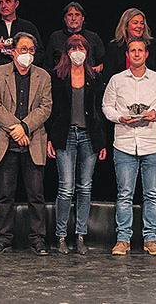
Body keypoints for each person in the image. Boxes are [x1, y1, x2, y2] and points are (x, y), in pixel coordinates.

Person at [102, 39, 156, 256]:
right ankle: (123, 239)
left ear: (146, 54)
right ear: (127, 54)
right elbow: (106, 107)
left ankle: (150, 238)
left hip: (152, 144)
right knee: (125, 194)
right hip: (125, 143)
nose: (136, 54)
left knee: (152, 194)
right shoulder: (116, 80)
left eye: (140, 50)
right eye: (132, 50)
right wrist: (120, 117)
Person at [0, 32, 53, 255]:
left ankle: (38, 239)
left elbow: (45, 107)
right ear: (13, 51)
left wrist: (24, 127)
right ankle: (4, 238)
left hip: (33, 141)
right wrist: (16, 129)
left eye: (31, 50)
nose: (28, 53)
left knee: (36, 196)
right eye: (24, 49)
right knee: (5, 195)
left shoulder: (43, 76)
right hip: (6, 142)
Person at [47, 34, 108, 254]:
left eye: (81, 48)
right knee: (66, 187)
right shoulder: (57, 76)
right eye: (73, 48)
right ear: (67, 52)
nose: (77, 52)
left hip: (89, 136)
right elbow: (51, 109)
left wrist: (101, 141)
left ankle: (81, 235)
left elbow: (99, 110)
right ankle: (61, 236)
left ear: (87, 52)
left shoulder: (95, 77)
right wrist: (50, 138)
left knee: (85, 187)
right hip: (65, 136)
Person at [103, 8, 156, 84]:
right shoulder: (114, 46)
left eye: (142, 23)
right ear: (125, 26)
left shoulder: (152, 44)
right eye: (135, 23)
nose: (139, 26)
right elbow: (108, 77)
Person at [46, 2, 106, 75]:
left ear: (83, 18)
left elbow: (104, 63)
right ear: (65, 18)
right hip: (61, 78)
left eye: (77, 15)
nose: (73, 18)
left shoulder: (93, 37)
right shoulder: (55, 37)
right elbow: (47, 65)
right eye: (70, 15)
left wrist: (92, 70)